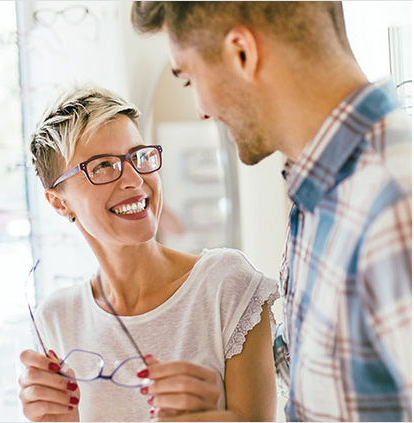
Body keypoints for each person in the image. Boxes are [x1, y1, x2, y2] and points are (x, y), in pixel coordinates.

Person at [131, 1, 412, 421]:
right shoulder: (321, 198)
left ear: (242, 52)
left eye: (189, 78)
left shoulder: (394, 202)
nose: (201, 110)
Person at [18, 86, 279, 422]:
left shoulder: (225, 285)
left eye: (138, 157)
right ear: (58, 202)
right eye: (102, 166)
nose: (134, 179)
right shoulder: (57, 319)